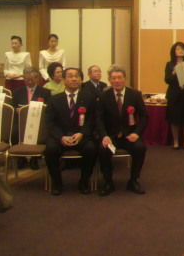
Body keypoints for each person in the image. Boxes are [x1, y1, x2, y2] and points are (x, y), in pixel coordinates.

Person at [45, 67, 97, 196]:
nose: (74, 79)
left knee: (91, 149)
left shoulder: (89, 98)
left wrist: (82, 133)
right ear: (63, 80)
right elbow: (50, 123)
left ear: (81, 80)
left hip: (81, 136)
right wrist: (61, 137)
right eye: (70, 76)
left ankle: (84, 182)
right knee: (50, 149)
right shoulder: (54, 100)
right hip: (61, 137)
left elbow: (92, 120)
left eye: (77, 76)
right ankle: (57, 183)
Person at [97, 65, 148, 196]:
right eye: (114, 78)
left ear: (125, 79)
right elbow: (99, 118)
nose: (117, 81)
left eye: (119, 78)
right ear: (109, 80)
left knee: (140, 148)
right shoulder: (104, 96)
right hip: (111, 136)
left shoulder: (135, 95)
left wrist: (137, 133)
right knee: (103, 149)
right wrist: (104, 136)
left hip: (129, 135)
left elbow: (144, 116)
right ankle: (108, 182)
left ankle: (134, 180)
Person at [11, 67, 51, 168]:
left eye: (32, 79)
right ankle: (21, 157)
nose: (29, 82)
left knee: (40, 132)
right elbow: (12, 107)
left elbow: (49, 109)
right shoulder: (17, 92)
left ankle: (34, 158)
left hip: (38, 122)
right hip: (21, 122)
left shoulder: (45, 92)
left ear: (37, 79)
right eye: (27, 79)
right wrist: (17, 110)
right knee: (14, 132)